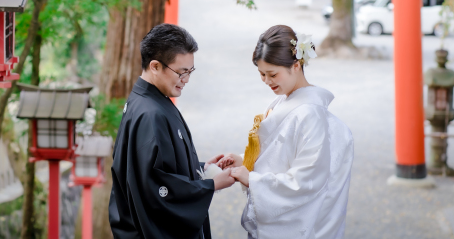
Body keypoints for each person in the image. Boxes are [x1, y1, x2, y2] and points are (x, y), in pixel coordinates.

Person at [217, 24, 354, 239]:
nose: (266, 81)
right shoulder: (282, 101)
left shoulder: (311, 114)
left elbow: (306, 181)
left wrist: (252, 180)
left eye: (272, 74)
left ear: (296, 65)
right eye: (262, 74)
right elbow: (279, 157)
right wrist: (244, 161)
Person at [109, 23, 236, 238]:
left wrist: (201, 169)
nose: (186, 80)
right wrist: (210, 185)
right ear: (155, 66)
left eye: (190, 71)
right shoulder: (150, 113)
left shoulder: (150, 101)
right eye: (181, 72)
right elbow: (155, 190)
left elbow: (159, 168)